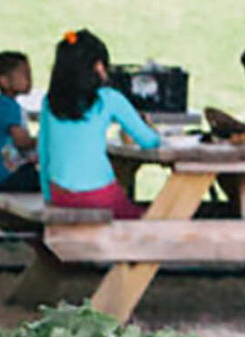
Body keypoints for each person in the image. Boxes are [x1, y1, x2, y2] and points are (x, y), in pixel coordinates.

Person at [38, 28, 160, 219]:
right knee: (143, 218)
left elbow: (43, 152)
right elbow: (148, 140)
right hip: (98, 193)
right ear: (98, 67)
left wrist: (48, 195)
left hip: (59, 193)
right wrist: (156, 132)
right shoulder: (109, 99)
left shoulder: (49, 102)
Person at [0, 50, 40, 192]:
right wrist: (44, 141)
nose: (29, 79)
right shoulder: (8, 106)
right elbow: (22, 141)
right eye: (24, 75)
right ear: (4, 81)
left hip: (2, 173)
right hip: (11, 173)